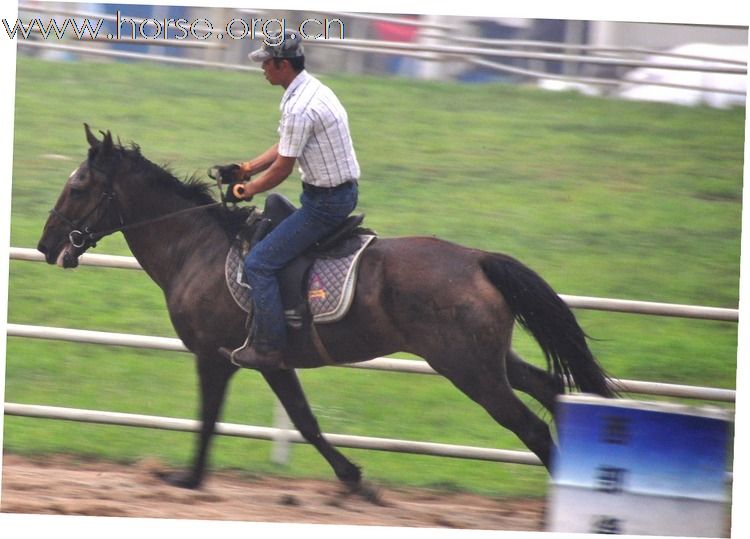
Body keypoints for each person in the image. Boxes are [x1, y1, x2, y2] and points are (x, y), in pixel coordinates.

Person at [218, 30, 360, 370]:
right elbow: (286, 145)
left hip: (325, 205)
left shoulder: (300, 107)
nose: (262, 69)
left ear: (283, 65)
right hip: (331, 194)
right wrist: (247, 168)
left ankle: (270, 347)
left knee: (258, 263)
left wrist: (246, 190)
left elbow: (283, 167)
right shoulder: (310, 89)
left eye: (266, 63)